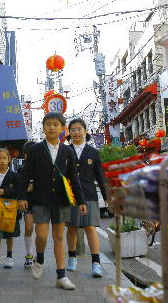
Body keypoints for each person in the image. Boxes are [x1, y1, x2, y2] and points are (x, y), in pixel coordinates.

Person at [18, 112, 87, 290]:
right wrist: (22, 197)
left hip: (61, 200)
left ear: (63, 128)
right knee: (41, 235)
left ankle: (61, 275)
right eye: (48, 124)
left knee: (58, 236)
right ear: (43, 127)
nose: (52, 127)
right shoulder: (34, 150)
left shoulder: (68, 151)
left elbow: (74, 177)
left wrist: (81, 201)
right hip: (40, 199)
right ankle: (39, 258)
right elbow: (25, 175)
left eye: (56, 124)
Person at [65, 118, 107, 278]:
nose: (76, 132)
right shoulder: (64, 151)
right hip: (70, 196)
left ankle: (96, 263)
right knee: (72, 228)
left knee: (90, 228)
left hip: (89, 195)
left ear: (85, 131)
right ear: (69, 132)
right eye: (73, 129)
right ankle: (72, 258)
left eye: (79, 129)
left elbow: (100, 177)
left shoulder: (93, 153)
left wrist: (107, 197)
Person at [17, 141, 36, 269]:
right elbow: (20, 187)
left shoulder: (44, 168)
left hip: (42, 202)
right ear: (25, 155)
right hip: (28, 202)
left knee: (41, 232)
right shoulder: (21, 170)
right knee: (29, 228)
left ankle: (39, 256)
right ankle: (29, 255)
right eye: (29, 154)